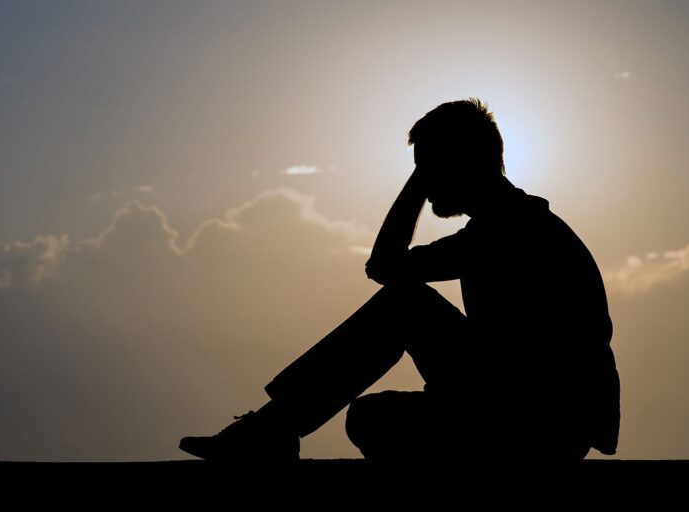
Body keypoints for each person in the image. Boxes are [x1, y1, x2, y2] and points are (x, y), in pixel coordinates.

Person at [179, 98, 620, 462]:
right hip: (528, 417)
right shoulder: (503, 226)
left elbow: (384, 266)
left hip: (538, 423)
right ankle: (273, 429)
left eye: (428, 167)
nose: (425, 184)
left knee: (404, 304)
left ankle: (271, 430)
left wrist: (415, 185)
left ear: (458, 162)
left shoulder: (513, 229)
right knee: (370, 418)